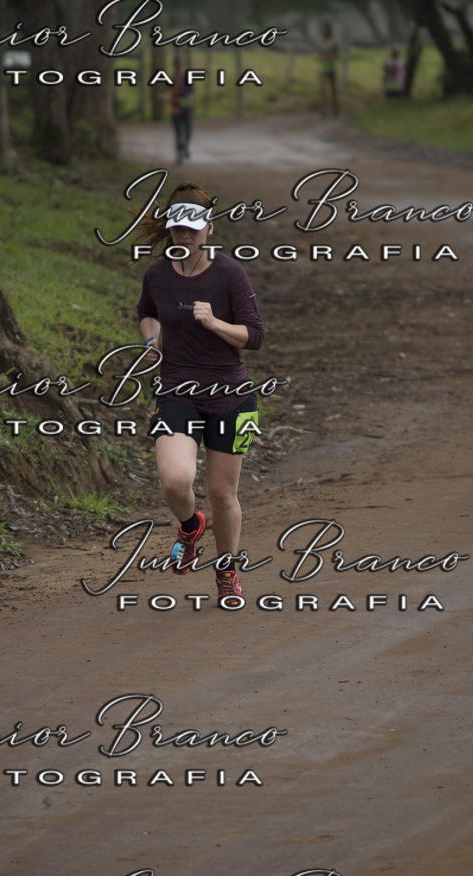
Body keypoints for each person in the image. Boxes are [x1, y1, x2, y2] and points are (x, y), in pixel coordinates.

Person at [136, 182, 264, 605]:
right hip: (178, 390)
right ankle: (191, 526)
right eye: (178, 230)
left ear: (209, 228)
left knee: (223, 494)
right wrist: (151, 341)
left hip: (230, 394)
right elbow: (148, 313)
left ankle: (227, 572)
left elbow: (254, 336)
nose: (185, 237)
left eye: (193, 229)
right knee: (175, 481)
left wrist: (215, 325)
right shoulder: (156, 275)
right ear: (170, 232)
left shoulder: (229, 273)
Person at [171, 56, 194, 164]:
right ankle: (179, 156)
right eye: (177, 66)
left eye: (180, 66)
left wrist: (191, 97)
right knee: (178, 133)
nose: (179, 68)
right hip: (176, 110)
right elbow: (164, 92)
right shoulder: (172, 79)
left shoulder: (187, 78)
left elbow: (193, 91)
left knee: (188, 131)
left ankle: (185, 147)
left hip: (187, 109)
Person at [317, 21, 340, 117]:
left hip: (331, 68)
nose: (323, 31)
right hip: (322, 68)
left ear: (329, 31)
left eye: (325, 30)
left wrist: (330, 56)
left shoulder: (333, 42)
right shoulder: (321, 41)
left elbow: (337, 54)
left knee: (333, 90)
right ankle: (323, 109)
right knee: (322, 90)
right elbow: (318, 54)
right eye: (322, 30)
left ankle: (335, 108)